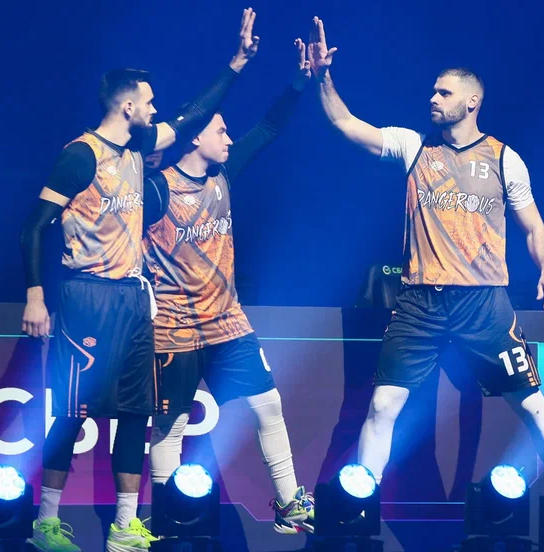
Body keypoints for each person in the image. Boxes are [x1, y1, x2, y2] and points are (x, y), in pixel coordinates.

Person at [307, 17, 544, 498]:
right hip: (420, 305)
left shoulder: (504, 158)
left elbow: (534, 226)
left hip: (483, 305)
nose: (433, 98)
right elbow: (346, 124)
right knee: (382, 406)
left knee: (532, 405)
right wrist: (322, 79)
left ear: (471, 102)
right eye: (433, 91)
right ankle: (363, 505)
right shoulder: (414, 146)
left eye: (444, 93)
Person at [19, 9, 261, 551]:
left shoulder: (138, 148)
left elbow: (195, 113)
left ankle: (124, 527)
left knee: (135, 415)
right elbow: (32, 228)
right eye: (149, 102)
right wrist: (35, 296)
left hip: (133, 300)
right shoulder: (80, 156)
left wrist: (237, 64)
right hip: (87, 297)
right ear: (127, 106)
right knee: (72, 415)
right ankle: (46, 524)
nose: (155, 110)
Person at [144, 38, 316, 535]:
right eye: (221, 130)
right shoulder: (156, 189)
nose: (230, 138)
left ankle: (289, 505)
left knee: (268, 405)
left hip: (228, 323)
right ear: (195, 137)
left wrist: (299, 81)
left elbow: (269, 128)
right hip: (174, 330)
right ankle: (170, 520)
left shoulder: (224, 174)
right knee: (171, 428)